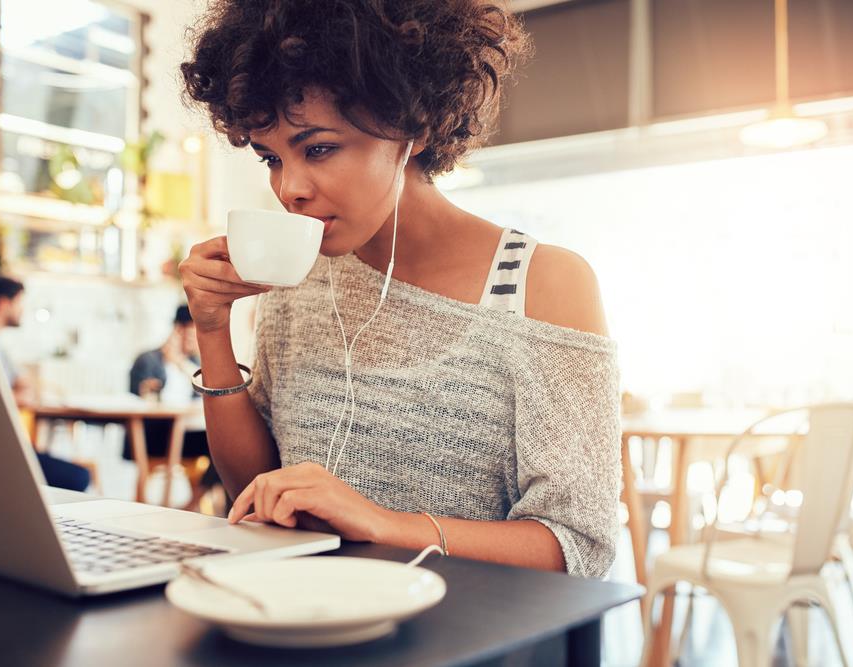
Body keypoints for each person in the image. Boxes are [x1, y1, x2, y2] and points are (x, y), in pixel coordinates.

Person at [177, 0, 619, 577]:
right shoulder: (299, 277)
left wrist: (384, 524)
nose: (290, 189)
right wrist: (212, 330)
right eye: (271, 158)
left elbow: (579, 546)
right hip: (309, 616)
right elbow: (258, 490)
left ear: (412, 124)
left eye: (318, 149)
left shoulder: (542, 285)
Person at [0, 276, 90, 492]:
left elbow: (24, 384)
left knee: (76, 475)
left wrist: (12, 395)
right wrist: (13, 396)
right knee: (78, 478)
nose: (23, 310)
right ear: (3, 304)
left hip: (3, 442)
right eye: (20, 302)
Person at [128, 305, 210, 460]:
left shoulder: (192, 362)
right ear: (178, 330)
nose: (197, 341)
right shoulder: (148, 360)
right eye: (193, 335)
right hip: (155, 434)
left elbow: (206, 390)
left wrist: (180, 361)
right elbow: (136, 400)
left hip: (185, 431)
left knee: (220, 444)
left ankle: (207, 485)